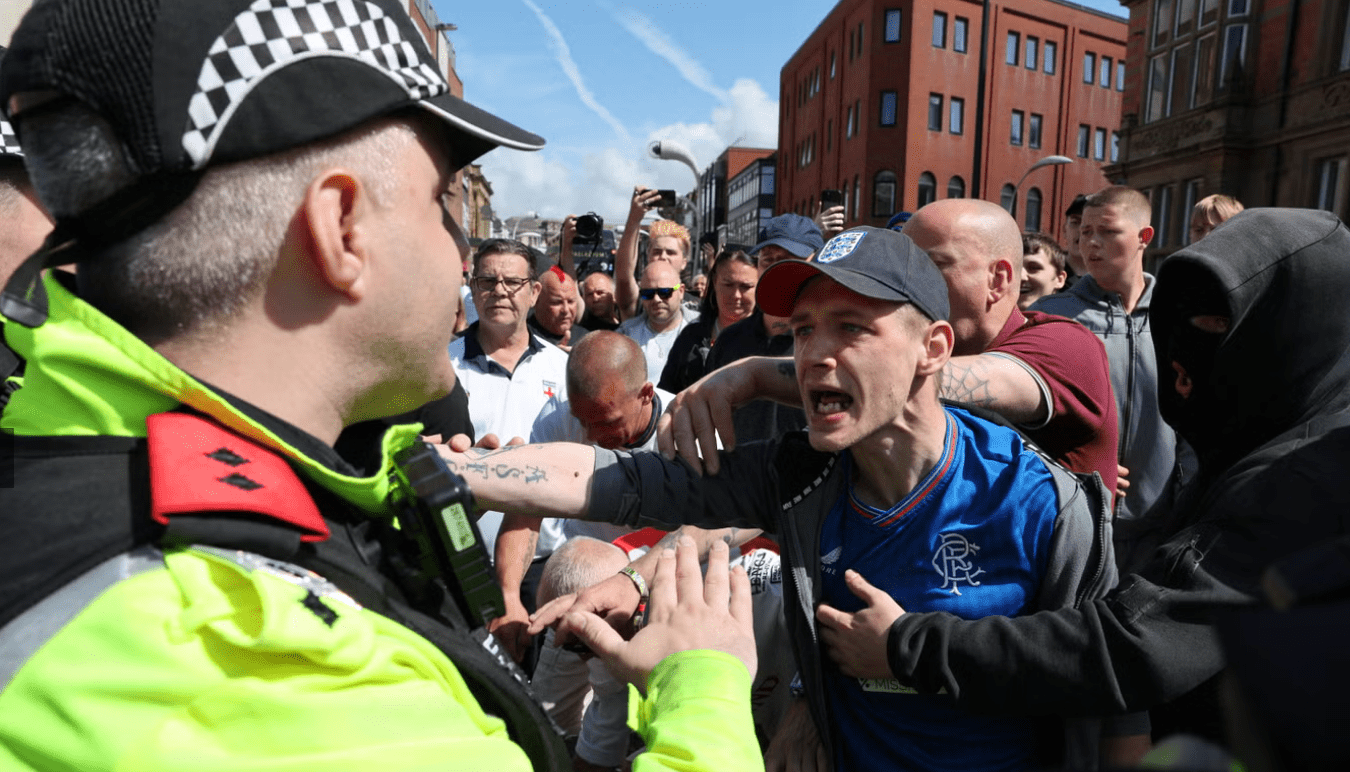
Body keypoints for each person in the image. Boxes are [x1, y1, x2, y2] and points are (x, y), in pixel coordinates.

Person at [0, 1, 764, 770]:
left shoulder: (108, 461)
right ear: (340, 230)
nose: (460, 263)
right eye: (439, 203)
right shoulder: (249, 652)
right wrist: (702, 682)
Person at [439, 227, 1115, 771]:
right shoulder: (803, 474)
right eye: (803, 331)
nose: (816, 353)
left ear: (932, 348)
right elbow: (618, 479)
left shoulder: (1040, 502)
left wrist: (911, 650)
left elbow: (1110, 694)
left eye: (850, 327)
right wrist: (454, 472)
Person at [820, 207, 1350, 761]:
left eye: (1217, 323)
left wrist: (907, 646)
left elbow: (1139, 641)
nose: (1188, 351)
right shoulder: (1255, 443)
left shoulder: (1304, 478)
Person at [674, 200, 1119, 500]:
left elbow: (944, 381)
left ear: (999, 279)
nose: (908, 281)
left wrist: (755, 375)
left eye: (933, 264)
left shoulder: (1065, 345)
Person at [490, 331, 676, 663]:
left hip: (658, 593)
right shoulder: (557, 418)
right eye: (582, 421)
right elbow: (526, 507)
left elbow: (705, 537)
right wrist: (508, 598)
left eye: (607, 423)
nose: (590, 436)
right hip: (575, 593)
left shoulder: (685, 430)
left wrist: (632, 581)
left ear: (646, 394)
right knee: (551, 704)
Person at [1032, 186, 1179, 542]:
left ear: (1144, 237)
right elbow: (1023, 423)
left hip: (1162, 523)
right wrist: (1077, 465)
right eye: (1085, 232)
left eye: (1107, 232)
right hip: (1072, 518)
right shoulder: (1050, 317)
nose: (1091, 243)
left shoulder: (1176, 317)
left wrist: (1187, 490)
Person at [702, 214, 824, 443]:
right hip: (737, 475)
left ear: (817, 263)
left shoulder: (831, 344)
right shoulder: (729, 341)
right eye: (768, 260)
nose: (777, 269)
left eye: (790, 259)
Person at [658, 247, 757, 393]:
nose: (736, 295)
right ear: (715, 283)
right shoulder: (691, 337)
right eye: (728, 285)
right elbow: (666, 392)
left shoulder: (771, 340)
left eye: (745, 287)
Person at [613, 186, 692, 320]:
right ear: (648, 256)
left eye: (671, 252)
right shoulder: (639, 298)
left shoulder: (697, 306)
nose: (663, 257)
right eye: (657, 251)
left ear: (684, 262)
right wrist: (634, 218)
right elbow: (623, 276)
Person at [616, 261, 696, 383]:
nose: (657, 299)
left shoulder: (703, 330)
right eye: (648, 294)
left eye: (664, 292)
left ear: (681, 292)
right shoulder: (626, 335)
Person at [528, 264, 587, 349]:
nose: (566, 310)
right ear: (537, 301)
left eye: (570, 302)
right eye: (557, 302)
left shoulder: (586, 340)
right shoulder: (523, 338)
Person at [1018, 230, 1068, 310]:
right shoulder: (992, 321)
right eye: (1015, 268)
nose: (1021, 276)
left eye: (1034, 268)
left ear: (1059, 279)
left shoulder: (1074, 320)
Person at [1063, 194, 1089, 283]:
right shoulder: (1048, 275)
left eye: (1089, 224)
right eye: (1075, 222)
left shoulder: (1114, 282)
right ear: (1064, 230)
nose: (1081, 229)